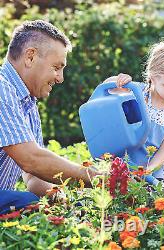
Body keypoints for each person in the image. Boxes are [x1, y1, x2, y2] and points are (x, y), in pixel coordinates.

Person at [0, 20, 99, 214]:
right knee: (29, 203)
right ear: (30, 57)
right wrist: (97, 178)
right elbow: (31, 159)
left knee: (45, 205)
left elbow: (33, 176)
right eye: (56, 67)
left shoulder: (27, 103)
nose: (60, 78)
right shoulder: (2, 89)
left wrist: (67, 204)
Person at [103, 39, 164, 187]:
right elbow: (107, 88)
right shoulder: (136, 91)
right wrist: (119, 80)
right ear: (152, 77)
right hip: (123, 167)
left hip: (154, 176)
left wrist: (148, 171)